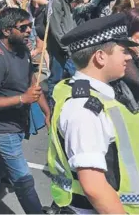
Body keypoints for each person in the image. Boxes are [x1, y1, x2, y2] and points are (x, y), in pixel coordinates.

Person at [48, 14, 139, 214]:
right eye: (123, 51)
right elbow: (94, 187)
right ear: (100, 57)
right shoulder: (85, 109)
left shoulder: (101, 94)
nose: (129, 56)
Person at [0, 8, 49, 214]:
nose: (28, 31)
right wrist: (22, 99)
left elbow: (32, 82)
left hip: (16, 124)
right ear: (6, 31)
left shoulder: (23, 51)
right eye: (23, 27)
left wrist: (47, 111)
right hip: (0, 129)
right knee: (24, 180)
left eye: (30, 26)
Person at [47, 0, 82, 105]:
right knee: (56, 79)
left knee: (73, 77)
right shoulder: (56, 4)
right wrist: (67, 48)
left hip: (70, 48)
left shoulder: (67, 4)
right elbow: (57, 30)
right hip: (59, 50)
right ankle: (52, 107)